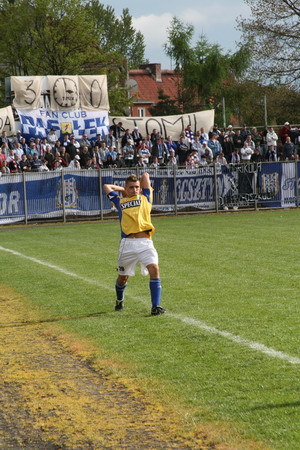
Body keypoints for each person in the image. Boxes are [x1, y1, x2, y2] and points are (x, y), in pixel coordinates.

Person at [103, 172, 165, 316]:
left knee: (154, 269)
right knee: (123, 277)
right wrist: (122, 189)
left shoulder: (146, 198)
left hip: (145, 243)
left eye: (137, 187)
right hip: (128, 244)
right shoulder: (120, 202)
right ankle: (120, 299)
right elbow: (106, 186)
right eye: (131, 187)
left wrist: (139, 184)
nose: (134, 190)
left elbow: (145, 175)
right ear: (126, 188)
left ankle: (155, 307)